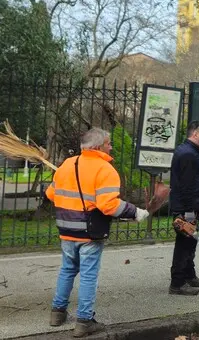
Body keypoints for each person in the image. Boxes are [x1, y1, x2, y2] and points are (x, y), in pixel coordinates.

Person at [46, 128, 149, 338]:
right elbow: (109, 205)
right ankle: (84, 321)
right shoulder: (105, 169)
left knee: (67, 269)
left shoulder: (67, 164)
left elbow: (51, 194)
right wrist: (135, 212)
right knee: (88, 275)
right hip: (89, 232)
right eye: (108, 143)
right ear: (97, 146)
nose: (111, 147)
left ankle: (57, 313)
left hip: (66, 229)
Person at [169, 120, 199, 296]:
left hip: (190, 206)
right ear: (195, 134)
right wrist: (189, 212)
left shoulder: (190, 151)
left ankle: (189, 275)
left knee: (190, 241)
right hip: (188, 208)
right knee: (184, 244)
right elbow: (187, 186)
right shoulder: (188, 154)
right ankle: (177, 283)